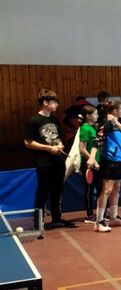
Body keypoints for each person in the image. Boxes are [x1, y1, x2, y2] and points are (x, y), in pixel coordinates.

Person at [24, 89, 75, 229]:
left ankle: (56, 219)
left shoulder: (54, 120)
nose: (57, 104)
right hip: (43, 162)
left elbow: (57, 138)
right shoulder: (33, 121)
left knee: (58, 189)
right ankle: (38, 222)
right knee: (43, 190)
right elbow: (28, 142)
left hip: (58, 160)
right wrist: (48, 148)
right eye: (54, 102)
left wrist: (60, 145)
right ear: (45, 102)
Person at [94, 101, 121, 230]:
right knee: (107, 190)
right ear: (115, 111)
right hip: (109, 160)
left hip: (119, 160)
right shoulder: (106, 122)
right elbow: (98, 139)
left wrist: (116, 121)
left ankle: (113, 218)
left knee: (116, 188)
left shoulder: (115, 123)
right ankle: (99, 222)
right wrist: (92, 158)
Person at [77, 105, 105, 228]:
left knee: (100, 188)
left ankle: (100, 213)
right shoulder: (85, 128)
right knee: (89, 189)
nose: (97, 116)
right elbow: (82, 149)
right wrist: (92, 161)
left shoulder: (93, 127)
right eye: (95, 114)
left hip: (97, 162)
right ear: (88, 116)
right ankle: (89, 215)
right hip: (88, 163)